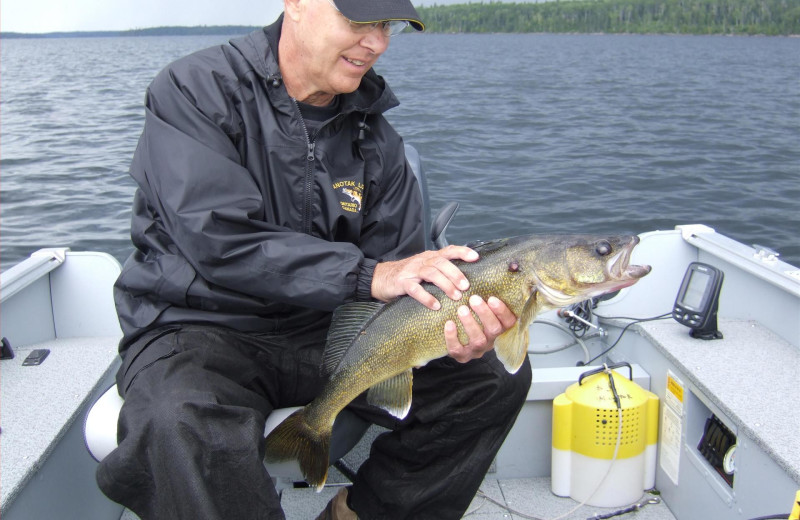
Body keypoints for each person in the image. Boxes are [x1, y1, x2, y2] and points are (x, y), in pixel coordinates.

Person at [97, 0, 533, 518]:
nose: (376, 43)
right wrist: (371, 274)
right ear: (296, 5)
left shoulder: (380, 141)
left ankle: (357, 512)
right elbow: (217, 238)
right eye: (357, 21)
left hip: (326, 331)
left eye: (385, 26)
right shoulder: (195, 90)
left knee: (490, 377)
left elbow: (401, 278)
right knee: (177, 420)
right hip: (200, 327)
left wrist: (449, 333)